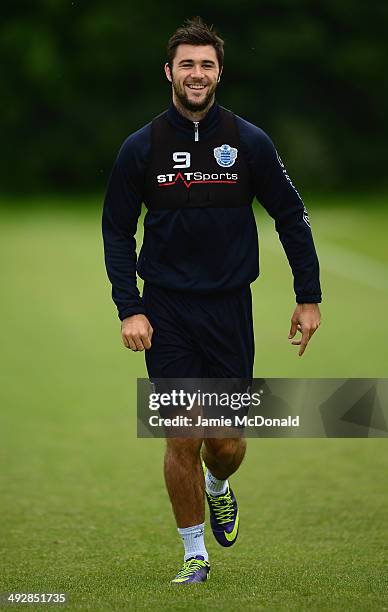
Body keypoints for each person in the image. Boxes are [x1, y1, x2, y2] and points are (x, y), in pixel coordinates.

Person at [102, 16, 321, 584]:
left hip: (229, 309)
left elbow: (291, 216)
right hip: (167, 310)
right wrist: (131, 307)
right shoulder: (141, 147)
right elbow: (116, 231)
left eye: (206, 64)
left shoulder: (248, 142)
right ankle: (193, 554)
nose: (196, 74)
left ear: (219, 71)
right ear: (168, 73)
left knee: (224, 444)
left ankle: (218, 485)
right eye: (186, 64)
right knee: (183, 431)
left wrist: (308, 297)